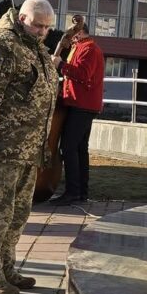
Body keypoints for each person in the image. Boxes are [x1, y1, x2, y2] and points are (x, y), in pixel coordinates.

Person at [0, 0, 57, 294]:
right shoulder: (2, 44)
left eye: (47, 27)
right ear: (22, 18)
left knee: (17, 215)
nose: (43, 32)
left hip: (27, 149)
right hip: (2, 148)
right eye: (38, 25)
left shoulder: (36, 48)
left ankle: (6, 267)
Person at [54, 20, 103, 205]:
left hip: (82, 103)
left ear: (79, 32)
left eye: (73, 34)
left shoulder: (88, 48)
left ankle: (73, 191)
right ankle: (81, 191)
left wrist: (60, 64)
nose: (70, 37)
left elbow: (83, 74)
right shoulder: (83, 47)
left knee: (68, 147)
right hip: (82, 102)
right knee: (80, 148)